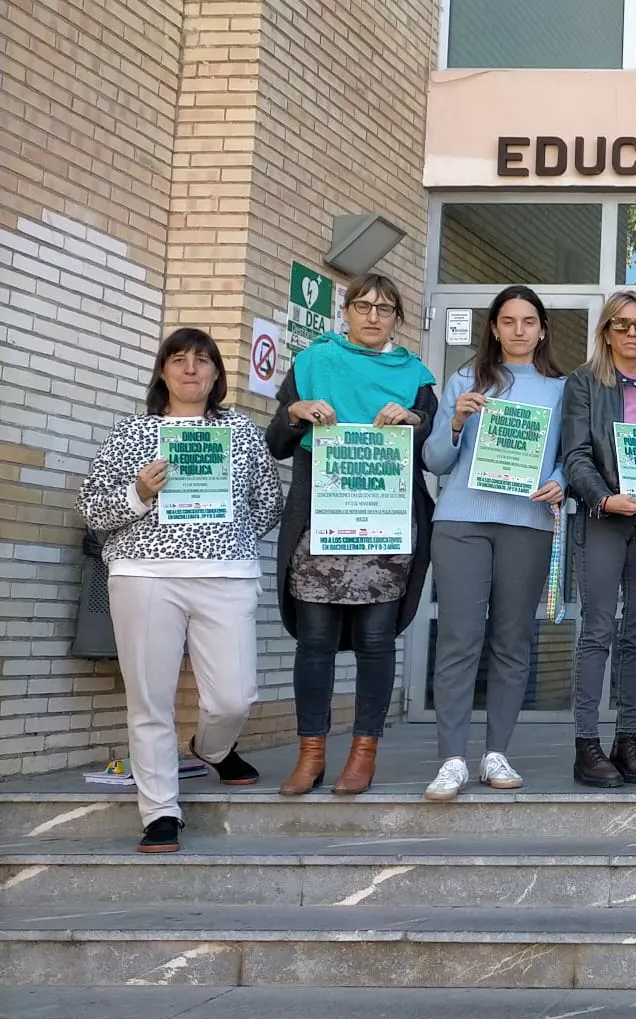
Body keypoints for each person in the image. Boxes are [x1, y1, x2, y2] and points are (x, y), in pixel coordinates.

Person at [78, 329, 285, 852]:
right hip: (145, 575)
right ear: (163, 371)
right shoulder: (131, 433)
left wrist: (228, 535)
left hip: (226, 574)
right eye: (178, 359)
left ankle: (211, 749)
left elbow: (269, 501)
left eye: (201, 360)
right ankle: (160, 812)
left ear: (216, 373)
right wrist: (139, 492)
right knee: (150, 700)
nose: (190, 368)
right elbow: (93, 508)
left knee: (235, 696)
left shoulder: (240, 431)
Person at [268, 274, 438, 797]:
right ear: (345, 312)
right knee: (314, 642)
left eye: (385, 309)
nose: (372, 316)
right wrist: (295, 412)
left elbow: (431, 443)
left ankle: (364, 753)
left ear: (397, 319)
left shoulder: (414, 375)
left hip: (384, 526)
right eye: (363, 306)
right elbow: (276, 442)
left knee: (376, 641)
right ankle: (311, 754)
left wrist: (413, 419)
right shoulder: (313, 364)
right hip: (320, 524)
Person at [419, 285, 566, 802]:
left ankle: (496, 753)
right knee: (459, 639)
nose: (519, 330)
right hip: (461, 521)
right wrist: (457, 421)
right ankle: (452, 759)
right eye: (508, 321)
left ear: (542, 330)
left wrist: (562, 481)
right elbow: (435, 461)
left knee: (512, 641)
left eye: (529, 321)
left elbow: (572, 454)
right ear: (494, 329)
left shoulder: (562, 388)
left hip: (527, 522)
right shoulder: (465, 380)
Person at [560, 291, 636, 789]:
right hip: (604, 515)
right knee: (597, 630)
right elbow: (575, 454)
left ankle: (628, 740)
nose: (633, 333)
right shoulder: (584, 382)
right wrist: (605, 499)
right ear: (606, 332)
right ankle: (586, 745)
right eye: (622, 325)